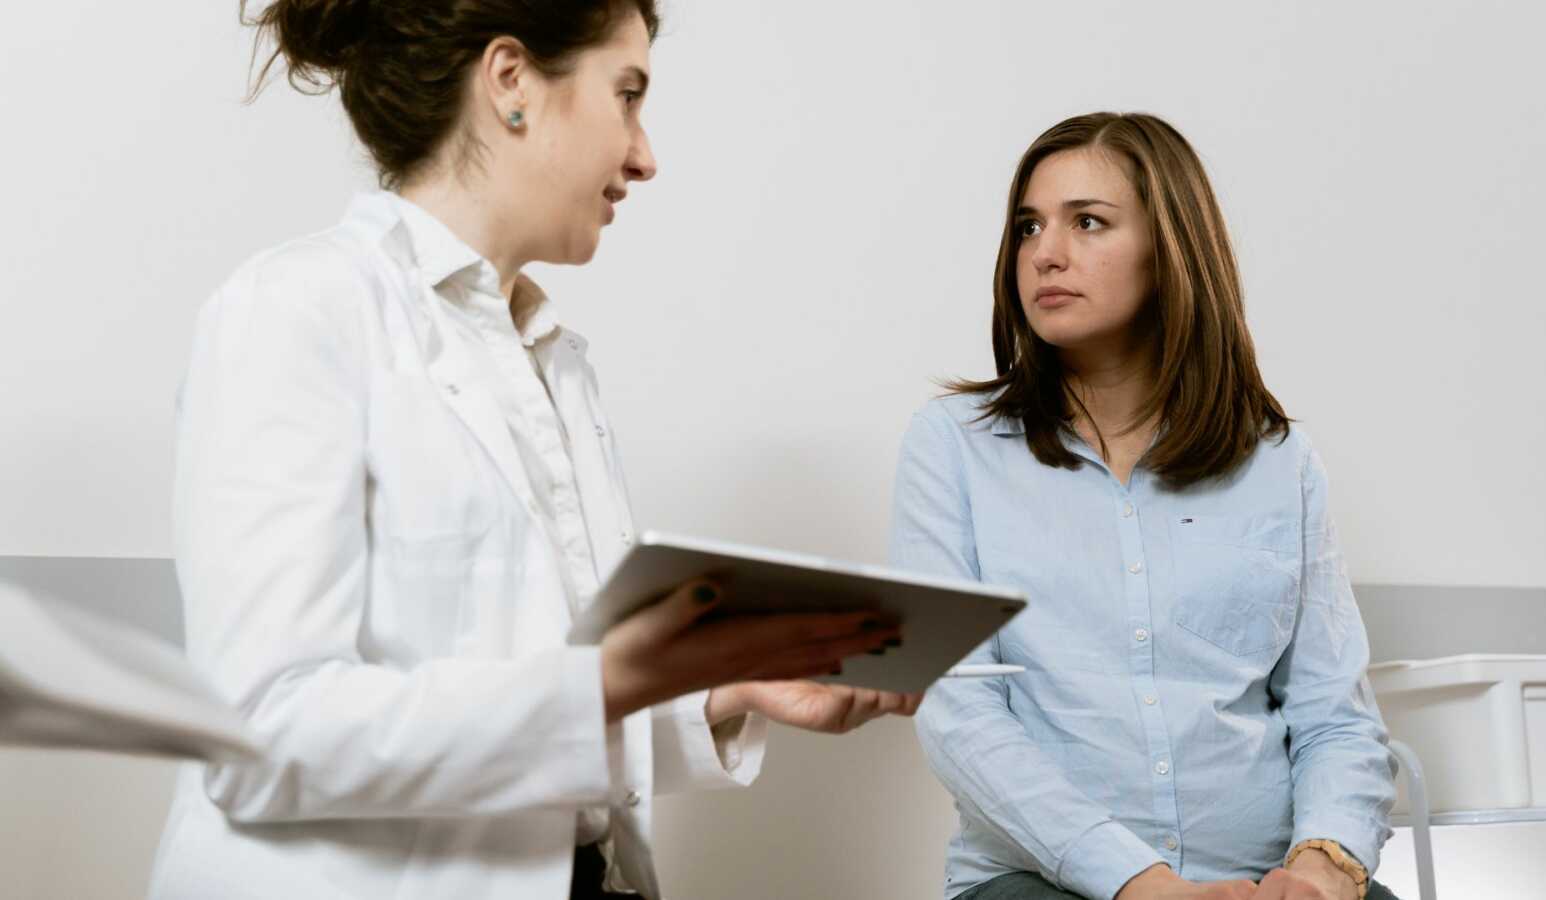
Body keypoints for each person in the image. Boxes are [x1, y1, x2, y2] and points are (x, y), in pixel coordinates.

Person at [148, 2, 918, 897]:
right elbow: (263, 735)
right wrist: (605, 680)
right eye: (626, 95)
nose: (644, 155)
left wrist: (728, 686)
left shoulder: (550, 359)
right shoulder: (294, 311)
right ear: (511, 82)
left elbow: (535, 715)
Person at [891, 112, 1398, 900]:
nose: (1045, 254)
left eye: (1087, 222)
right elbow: (958, 712)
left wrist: (1322, 865)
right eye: (1029, 226)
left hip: (1263, 881)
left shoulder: (1279, 462)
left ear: (1171, 250)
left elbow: (1334, 712)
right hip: (1040, 883)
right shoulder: (953, 445)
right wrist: (1143, 883)